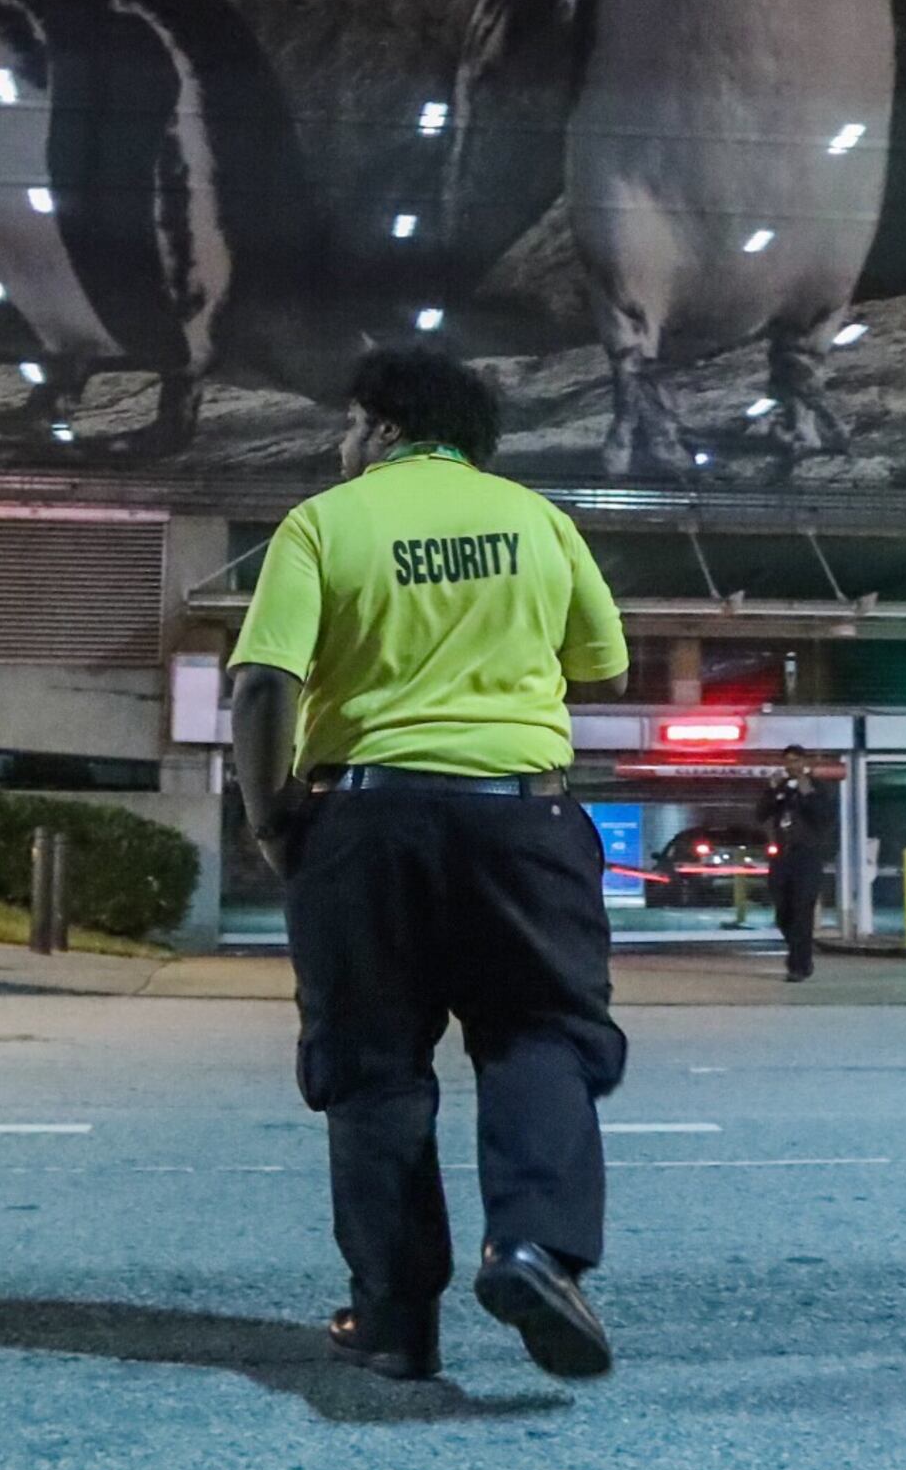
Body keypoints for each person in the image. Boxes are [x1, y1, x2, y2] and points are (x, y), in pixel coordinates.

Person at [226, 346, 632, 1383]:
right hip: (522, 823)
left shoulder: (326, 522)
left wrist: (274, 820)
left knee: (372, 1072)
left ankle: (396, 1320)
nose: (343, 444)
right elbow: (602, 663)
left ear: (383, 425)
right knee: (540, 1032)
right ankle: (536, 1249)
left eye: (350, 426)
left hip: (366, 825)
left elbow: (263, 684)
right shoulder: (541, 522)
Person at [763, 749, 831, 981]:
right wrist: (771, 791)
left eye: (796, 761)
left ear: (805, 762)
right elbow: (761, 814)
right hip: (782, 857)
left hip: (807, 857)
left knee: (802, 911)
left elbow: (823, 818)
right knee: (783, 912)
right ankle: (798, 949)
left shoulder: (817, 788)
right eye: (787, 761)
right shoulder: (782, 788)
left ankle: (799, 966)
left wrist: (808, 794)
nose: (791, 765)